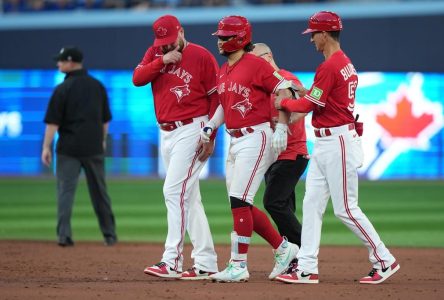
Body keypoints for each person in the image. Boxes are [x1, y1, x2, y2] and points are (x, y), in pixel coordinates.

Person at [275, 11, 400, 284]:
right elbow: (323, 99)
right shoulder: (342, 63)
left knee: (346, 208)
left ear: (324, 34)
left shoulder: (330, 66)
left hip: (338, 142)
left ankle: (384, 259)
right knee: (311, 203)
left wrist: (283, 103)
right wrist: (303, 89)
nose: (311, 41)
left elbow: (308, 106)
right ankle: (306, 267)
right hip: (327, 141)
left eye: (313, 35)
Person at [200, 15, 299, 283]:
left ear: (240, 38)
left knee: (239, 201)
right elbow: (224, 103)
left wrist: (281, 126)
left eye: (225, 37)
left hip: (256, 136)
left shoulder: (256, 64)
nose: (220, 42)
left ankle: (238, 264)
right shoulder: (224, 69)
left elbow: (286, 89)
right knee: (240, 201)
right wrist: (211, 127)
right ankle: (283, 248)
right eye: (219, 37)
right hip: (235, 139)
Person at [132, 15, 219, 280]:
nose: (166, 46)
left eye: (170, 41)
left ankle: (171, 261)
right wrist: (161, 60)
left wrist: (211, 134)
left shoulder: (201, 56)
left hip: (193, 128)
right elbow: (137, 78)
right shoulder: (155, 52)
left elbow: (216, 98)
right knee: (188, 198)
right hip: (167, 133)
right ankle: (206, 262)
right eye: (162, 42)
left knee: (173, 191)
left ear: (181, 32)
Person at [41, 46, 117, 247]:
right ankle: (109, 235)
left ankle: (64, 236)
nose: (58, 63)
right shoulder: (97, 86)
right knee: (100, 192)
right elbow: (105, 119)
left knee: (65, 192)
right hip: (93, 147)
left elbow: (53, 123)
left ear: (70, 62)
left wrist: (46, 147)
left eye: (60, 60)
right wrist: (102, 139)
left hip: (68, 149)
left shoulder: (62, 89)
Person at [251, 43, 309, 258]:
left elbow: (304, 106)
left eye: (257, 59)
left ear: (269, 55)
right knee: (284, 207)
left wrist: (286, 122)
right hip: (272, 155)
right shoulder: (261, 83)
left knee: (273, 202)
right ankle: (294, 257)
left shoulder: (286, 78)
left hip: (292, 152)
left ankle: (304, 252)